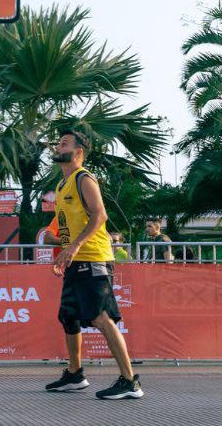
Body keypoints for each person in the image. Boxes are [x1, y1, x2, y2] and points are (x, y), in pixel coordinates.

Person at [42, 129, 143, 400]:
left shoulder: (83, 178)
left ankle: (129, 381)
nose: (57, 146)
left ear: (78, 153)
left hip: (94, 259)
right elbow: (68, 229)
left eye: (64, 143)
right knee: (68, 316)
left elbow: (100, 216)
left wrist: (74, 246)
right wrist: (63, 251)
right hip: (76, 260)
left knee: (101, 317)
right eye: (58, 142)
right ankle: (75, 375)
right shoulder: (61, 185)